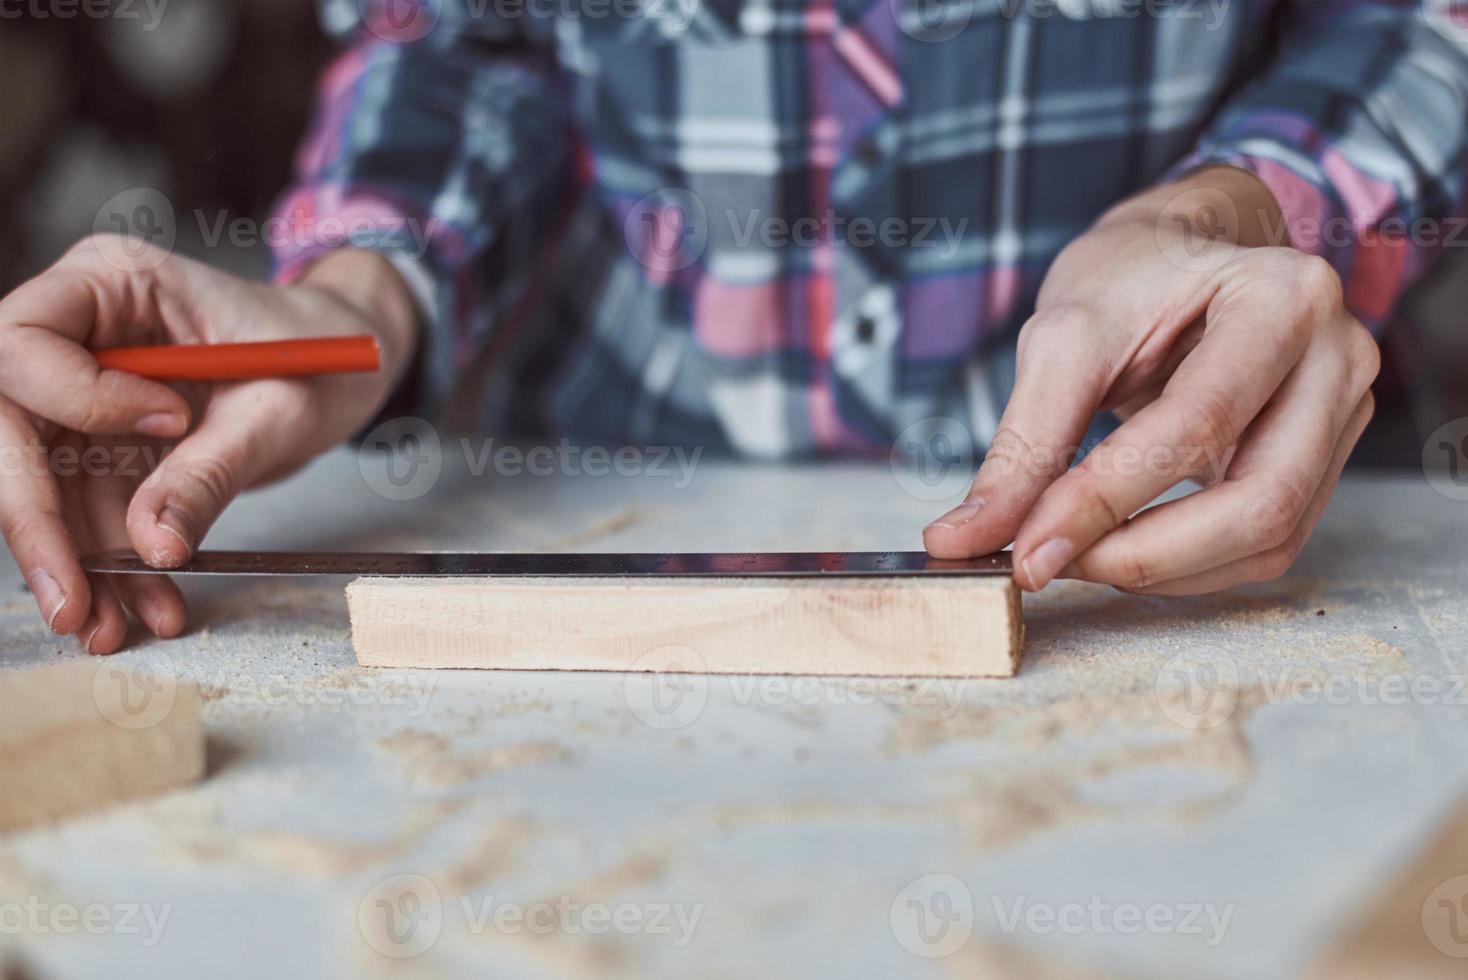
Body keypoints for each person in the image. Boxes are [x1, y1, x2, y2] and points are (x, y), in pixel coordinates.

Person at [0, 0, 1462, 653]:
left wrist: (1242, 211)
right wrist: (349, 299)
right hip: (583, 495)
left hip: (1197, 500)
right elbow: (463, 33)